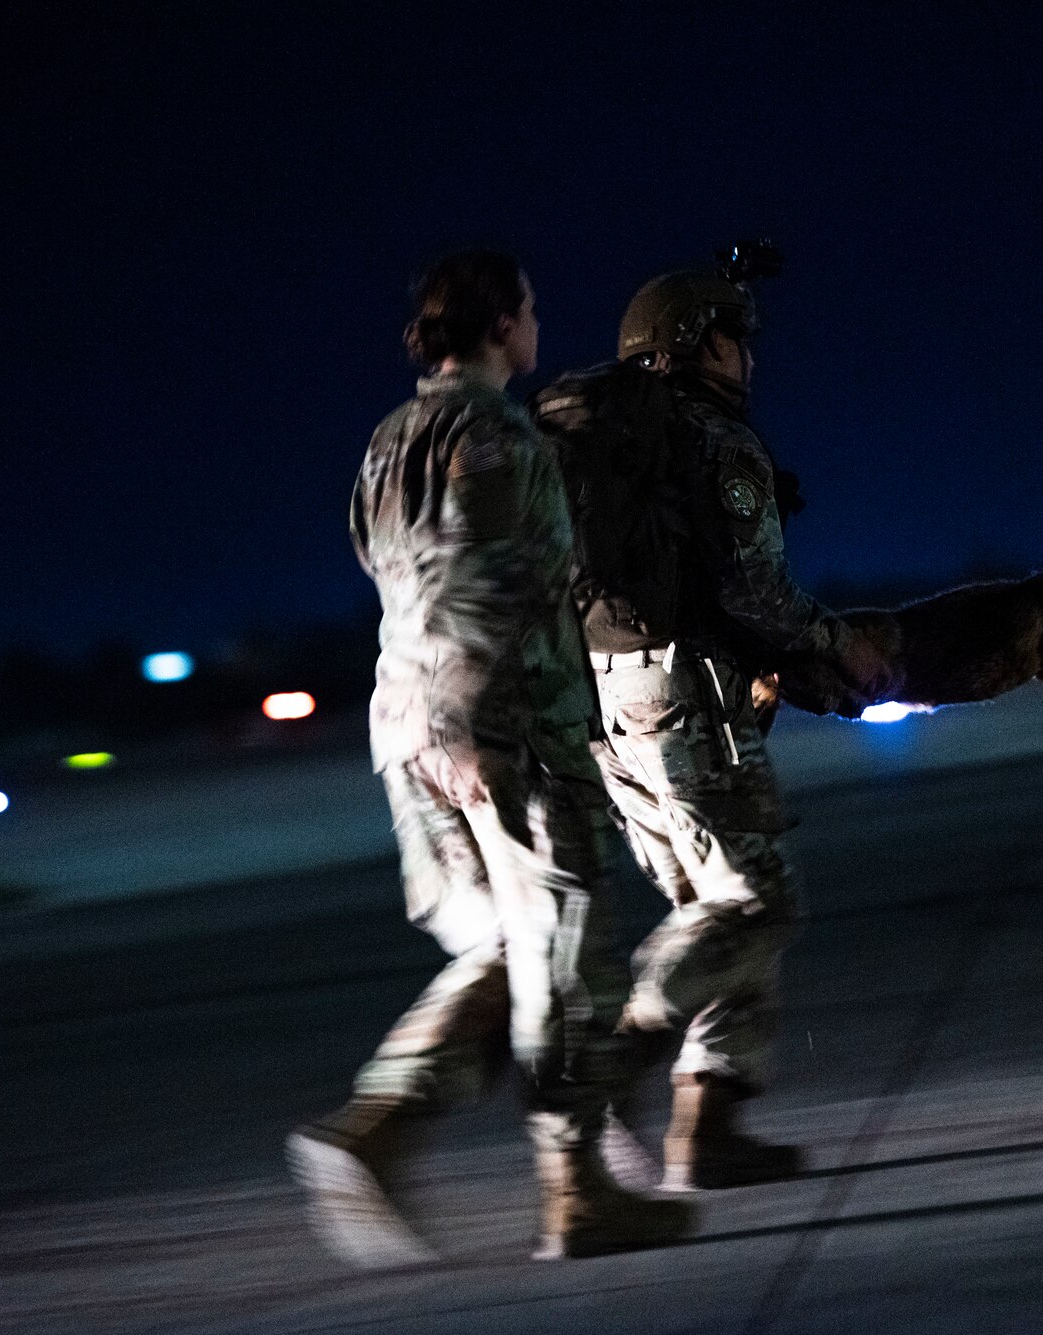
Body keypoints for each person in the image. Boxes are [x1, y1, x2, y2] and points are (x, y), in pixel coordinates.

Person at [287, 250, 693, 1266]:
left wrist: (434, 717)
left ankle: (377, 1130)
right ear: (502, 322)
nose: (538, 324)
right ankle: (576, 1192)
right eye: (532, 307)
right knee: (557, 952)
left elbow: (386, 570)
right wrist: (473, 720)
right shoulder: (495, 432)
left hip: (404, 723)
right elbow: (494, 578)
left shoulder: (388, 440)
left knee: (510, 952)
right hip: (500, 727)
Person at [534, 263, 887, 1190]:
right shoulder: (713, 438)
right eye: (736, 334)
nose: (750, 353)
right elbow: (754, 588)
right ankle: (609, 1060)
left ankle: (709, 1125)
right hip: (682, 693)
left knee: (716, 911)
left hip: (603, 701)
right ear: (695, 343)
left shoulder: (613, 446)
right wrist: (835, 642)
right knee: (757, 903)